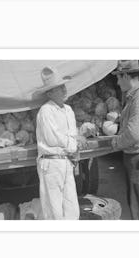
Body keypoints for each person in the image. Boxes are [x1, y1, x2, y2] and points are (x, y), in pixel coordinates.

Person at [35, 66, 86, 220]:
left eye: (63, 86)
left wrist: (78, 137)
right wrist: (75, 142)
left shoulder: (69, 110)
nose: (64, 90)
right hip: (51, 164)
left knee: (72, 209)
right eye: (59, 88)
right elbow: (53, 139)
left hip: (67, 162)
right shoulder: (46, 111)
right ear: (49, 93)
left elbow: (71, 134)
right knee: (54, 211)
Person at [111, 60, 139, 220]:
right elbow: (132, 124)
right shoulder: (134, 97)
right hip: (135, 156)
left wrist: (115, 143)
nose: (117, 82)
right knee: (136, 203)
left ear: (125, 75)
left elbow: (133, 133)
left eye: (118, 77)